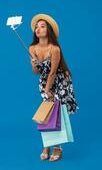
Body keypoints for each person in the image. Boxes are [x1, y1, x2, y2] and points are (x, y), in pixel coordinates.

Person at [29, 14, 79, 162]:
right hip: (45, 82)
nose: (38, 29)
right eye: (37, 27)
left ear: (49, 30)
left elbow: (52, 72)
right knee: (46, 114)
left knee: (57, 113)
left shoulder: (54, 49)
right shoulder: (32, 48)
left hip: (60, 81)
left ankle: (57, 147)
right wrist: (34, 64)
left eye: (42, 26)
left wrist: (48, 89)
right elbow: (36, 72)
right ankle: (47, 145)